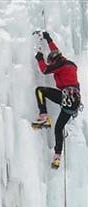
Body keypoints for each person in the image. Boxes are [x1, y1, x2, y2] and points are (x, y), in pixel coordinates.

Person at [32, 31, 81, 168]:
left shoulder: (60, 64)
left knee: (40, 90)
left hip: (67, 97)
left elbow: (46, 70)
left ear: (54, 60)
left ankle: (43, 116)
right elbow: (55, 51)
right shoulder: (68, 63)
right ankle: (57, 156)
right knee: (58, 127)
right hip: (74, 103)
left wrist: (40, 58)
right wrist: (48, 39)